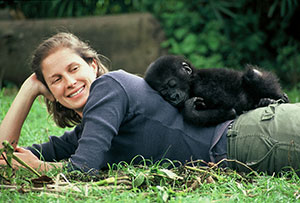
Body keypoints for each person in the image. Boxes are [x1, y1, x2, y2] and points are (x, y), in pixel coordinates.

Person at [0, 32, 300, 176]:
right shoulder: (91, 130)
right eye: (55, 79)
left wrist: (41, 167)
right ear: (49, 91)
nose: (69, 82)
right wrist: (28, 89)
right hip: (249, 143)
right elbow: (4, 156)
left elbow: (83, 169)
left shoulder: (109, 87)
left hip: (252, 137)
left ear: (92, 65)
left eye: (74, 69)